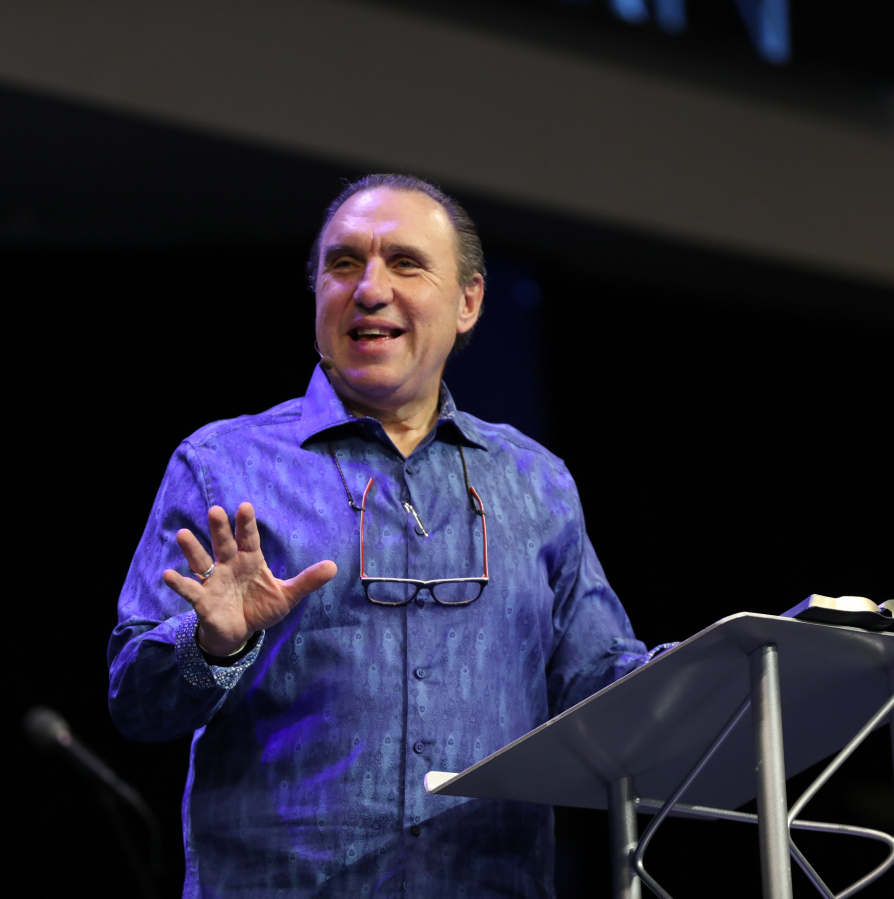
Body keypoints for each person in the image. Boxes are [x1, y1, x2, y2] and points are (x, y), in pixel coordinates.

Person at [108, 174, 666, 898]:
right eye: (343, 264)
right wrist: (214, 646)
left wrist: (729, 671)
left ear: (468, 302)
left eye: (405, 263)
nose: (369, 289)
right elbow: (137, 705)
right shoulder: (222, 467)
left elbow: (600, 689)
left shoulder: (536, 481)